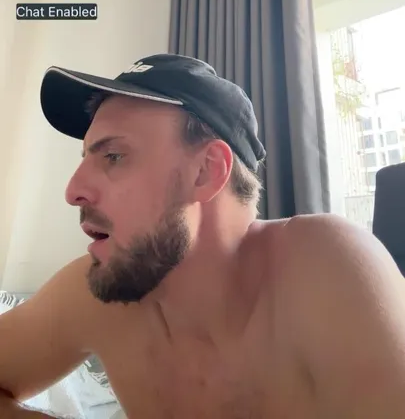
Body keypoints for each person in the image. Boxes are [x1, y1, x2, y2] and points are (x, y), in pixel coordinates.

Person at [1, 53, 405, 418]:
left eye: (114, 156)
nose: (73, 190)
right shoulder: (96, 293)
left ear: (207, 171)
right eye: (85, 158)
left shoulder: (326, 270)